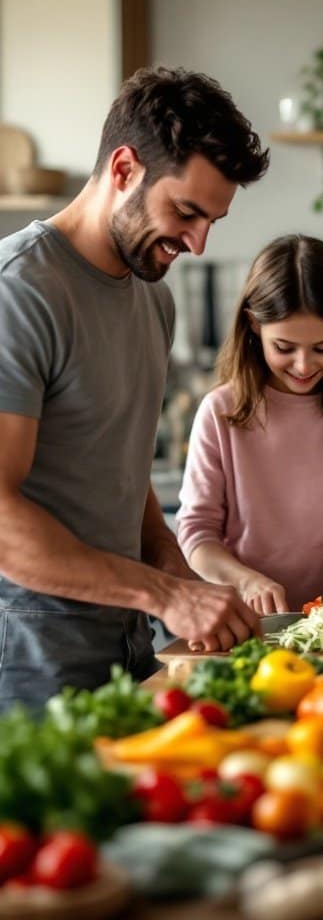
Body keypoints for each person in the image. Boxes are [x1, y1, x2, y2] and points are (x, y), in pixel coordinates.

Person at [0, 65, 269, 711]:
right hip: (29, 662)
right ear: (123, 169)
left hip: (128, 647)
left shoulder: (153, 300)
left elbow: (118, 467)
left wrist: (173, 569)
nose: (198, 243)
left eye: (213, 220)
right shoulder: (20, 293)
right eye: (186, 211)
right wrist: (166, 595)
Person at [176, 234, 323, 615]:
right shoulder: (220, 410)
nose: (304, 366)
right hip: (247, 623)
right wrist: (246, 580)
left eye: (322, 348)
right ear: (253, 325)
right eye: (284, 348)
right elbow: (196, 533)